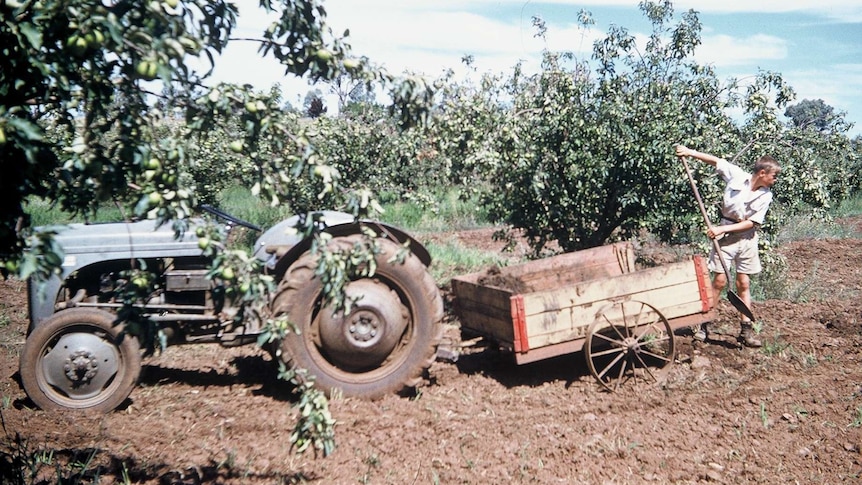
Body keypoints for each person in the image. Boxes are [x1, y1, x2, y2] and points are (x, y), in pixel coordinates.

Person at [675, 144, 781, 347]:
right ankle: (704, 326)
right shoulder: (737, 176)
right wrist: (689, 153)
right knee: (719, 282)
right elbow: (716, 160)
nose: (774, 181)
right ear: (762, 172)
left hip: (747, 239)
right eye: (773, 176)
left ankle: (746, 331)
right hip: (725, 239)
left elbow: (752, 223)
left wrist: (721, 230)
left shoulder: (766, 195)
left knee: (743, 283)